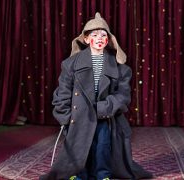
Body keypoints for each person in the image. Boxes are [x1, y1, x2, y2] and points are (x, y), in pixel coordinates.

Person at [40, 12, 152, 180]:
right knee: (80, 147)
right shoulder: (71, 64)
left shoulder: (120, 67)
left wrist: (102, 108)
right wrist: (65, 116)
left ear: (109, 40)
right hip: (78, 116)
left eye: (103, 35)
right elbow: (63, 92)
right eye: (94, 34)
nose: (99, 38)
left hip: (104, 115)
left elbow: (123, 95)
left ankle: (103, 175)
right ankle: (79, 175)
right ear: (86, 39)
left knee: (102, 146)